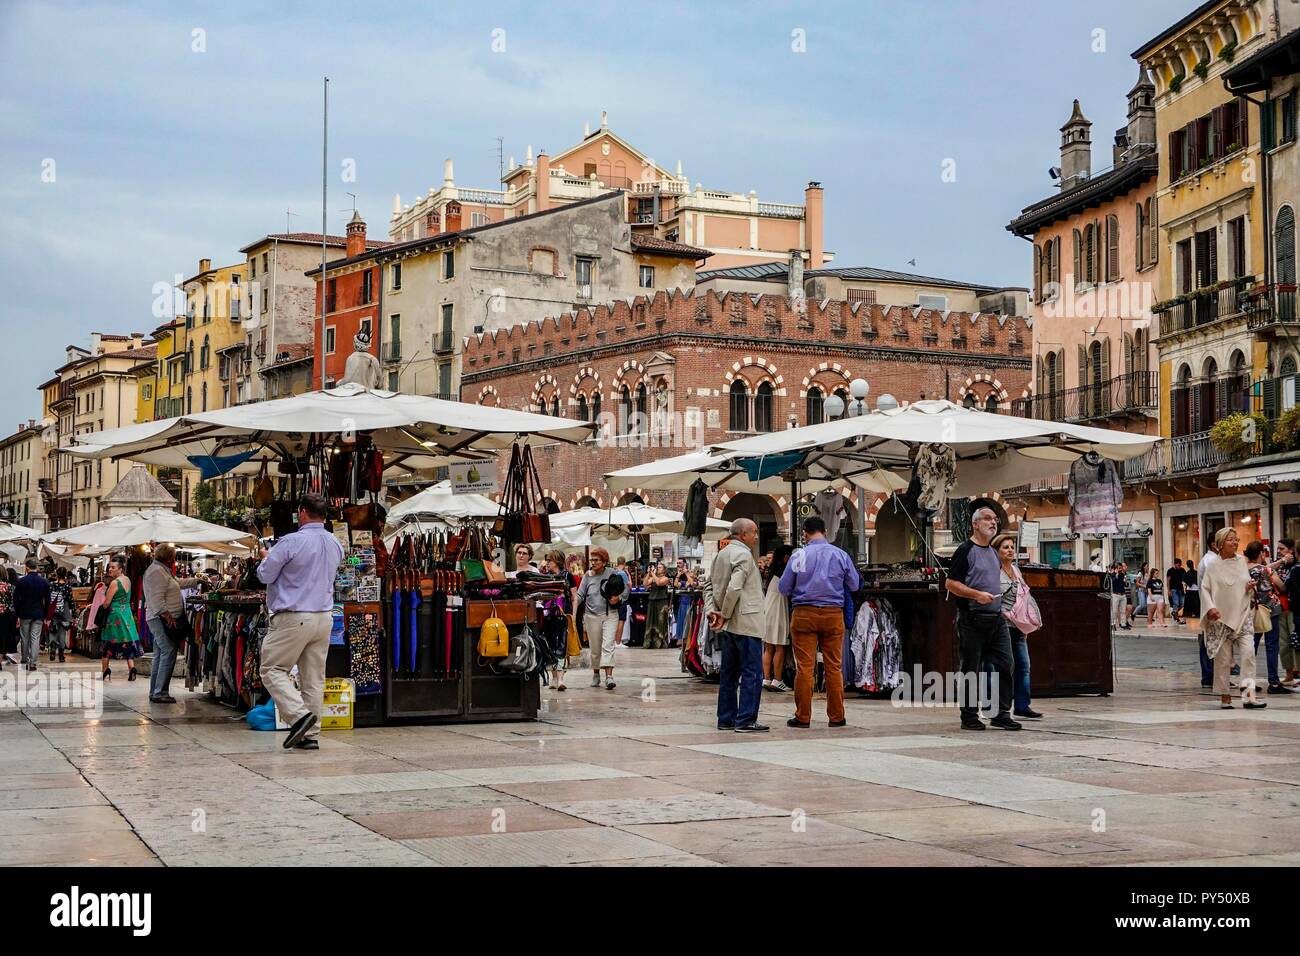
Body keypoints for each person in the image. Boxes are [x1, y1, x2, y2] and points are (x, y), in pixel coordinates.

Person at [256, 493, 345, 750]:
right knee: (314, 678)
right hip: (324, 616)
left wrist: (265, 557)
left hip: (294, 616)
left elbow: (265, 575)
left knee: (272, 669)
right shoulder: (335, 543)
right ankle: (311, 735)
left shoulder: (291, 541)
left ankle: (299, 716)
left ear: (302, 513)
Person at [780, 515, 860, 729]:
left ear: (805, 532)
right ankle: (836, 716)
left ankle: (803, 716)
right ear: (824, 531)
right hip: (833, 614)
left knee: (805, 667)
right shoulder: (840, 555)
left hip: (804, 614)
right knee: (834, 667)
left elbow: (784, 588)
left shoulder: (799, 555)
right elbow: (854, 585)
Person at [944, 507, 1019, 731]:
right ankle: (969, 716)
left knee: (1006, 664)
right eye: (987, 519)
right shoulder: (965, 551)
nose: (993, 522)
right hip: (972, 618)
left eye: (995, 519)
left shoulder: (993, 553)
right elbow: (950, 584)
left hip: (996, 619)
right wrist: (977, 595)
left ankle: (1001, 713)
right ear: (975, 524)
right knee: (971, 669)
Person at [705, 518, 769, 733]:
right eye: (754, 532)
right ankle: (746, 719)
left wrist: (711, 610)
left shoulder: (720, 555)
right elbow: (734, 588)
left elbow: (708, 585)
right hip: (746, 622)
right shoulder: (743, 555)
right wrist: (723, 614)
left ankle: (726, 718)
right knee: (752, 672)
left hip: (728, 625)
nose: (756, 536)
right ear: (742, 534)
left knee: (729, 673)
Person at [1202, 528, 1266, 710]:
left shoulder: (1241, 562)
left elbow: (1242, 583)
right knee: (1223, 660)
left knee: (1249, 655)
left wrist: (1249, 586)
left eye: (1236, 540)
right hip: (1221, 618)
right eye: (1231, 540)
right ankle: (1225, 695)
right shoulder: (1212, 565)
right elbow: (1205, 589)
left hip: (1242, 615)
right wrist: (1210, 608)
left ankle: (1249, 696)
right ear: (1220, 543)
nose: (1235, 542)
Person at [142, 543, 201, 704]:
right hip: (159, 618)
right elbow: (156, 598)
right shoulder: (156, 572)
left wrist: (196, 581)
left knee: (161, 654)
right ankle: (160, 692)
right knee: (168, 651)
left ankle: (156, 690)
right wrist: (167, 615)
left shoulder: (162, 570)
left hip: (159, 617)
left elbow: (176, 583)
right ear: (169, 558)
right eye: (174, 557)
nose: (175, 560)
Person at [991, 532, 1041, 720]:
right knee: (1001, 667)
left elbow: (1023, 596)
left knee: (1024, 665)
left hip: (1018, 625)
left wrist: (1027, 623)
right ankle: (996, 707)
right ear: (996, 550)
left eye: (1012, 547)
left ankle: (1022, 705)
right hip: (1000, 624)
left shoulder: (1016, 571)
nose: (1010, 550)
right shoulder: (994, 571)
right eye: (1005, 547)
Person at [1245, 540, 1292, 696]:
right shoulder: (1266, 570)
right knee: (1272, 646)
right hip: (1270, 611)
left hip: (1252, 611)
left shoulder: (1244, 569)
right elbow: (1282, 586)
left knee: (1251, 647)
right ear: (1261, 554)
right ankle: (1273, 682)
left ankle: (1248, 681)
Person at [574, 547, 623, 690]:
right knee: (595, 648)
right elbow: (580, 595)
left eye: (596, 560)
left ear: (604, 561)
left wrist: (617, 598)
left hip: (610, 615)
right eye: (592, 560)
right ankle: (596, 674)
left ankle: (609, 676)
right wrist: (573, 602)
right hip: (591, 615)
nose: (593, 563)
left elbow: (625, 590)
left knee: (608, 645)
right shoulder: (587, 576)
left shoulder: (612, 573)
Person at [99, 555, 143, 681]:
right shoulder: (127, 580)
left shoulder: (114, 583)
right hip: (127, 614)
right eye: (109, 567)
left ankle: (105, 669)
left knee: (107, 642)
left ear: (120, 569)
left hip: (115, 615)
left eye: (113, 568)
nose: (110, 570)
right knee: (127, 640)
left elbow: (107, 603)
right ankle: (131, 668)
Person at [541, 549, 577, 691]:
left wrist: (573, 615)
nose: (547, 563)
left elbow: (574, 597)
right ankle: (553, 677)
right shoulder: (545, 576)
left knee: (562, 645)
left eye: (550, 560)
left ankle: (560, 677)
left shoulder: (568, 575)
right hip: (548, 613)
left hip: (563, 613)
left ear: (557, 561)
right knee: (549, 644)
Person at [762, 544, 793, 692]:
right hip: (779, 610)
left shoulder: (772, 571)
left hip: (768, 609)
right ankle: (778, 679)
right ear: (786, 557)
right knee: (780, 647)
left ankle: (767, 678)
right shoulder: (785, 572)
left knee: (768, 648)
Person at [14, 559, 49, 672]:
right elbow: (47, 600)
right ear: (36, 568)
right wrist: (46, 615)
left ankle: (24, 659)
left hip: (24, 613)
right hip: (39, 614)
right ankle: (33, 662)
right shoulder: (44, 582)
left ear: (27, 568)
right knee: (35, 638)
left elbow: (16, 599)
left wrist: (18, 613)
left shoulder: (21, 582)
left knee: (25, 637)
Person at [46, 568, 74, 663]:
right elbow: (71, 600)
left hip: (53, 610)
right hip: (64, 610)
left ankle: (53, 645)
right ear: (65, 574)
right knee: (62, 632)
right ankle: (61, 655)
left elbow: (48, 599)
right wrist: (73, 612)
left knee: (52, 630)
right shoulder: (67, 586)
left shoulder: (51, 585)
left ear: (57, 574)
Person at [643, 562, 671, 649]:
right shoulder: (653, 577)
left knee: (661, 622)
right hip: (652, 601)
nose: (658, 569)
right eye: (657, 567)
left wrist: (653, 574)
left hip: (661, 602)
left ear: (664, 569)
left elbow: (659, 583)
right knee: (651, 621)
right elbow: (645, 584)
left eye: (660, 567)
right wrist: (648, 574)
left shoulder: (666, 578)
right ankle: (649, 642)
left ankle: (660, 643)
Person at [1109, 563, 1130, 631]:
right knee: (1114, 611)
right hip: (1115, 594)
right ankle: (1113, 624)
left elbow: (1125, 585)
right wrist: (1116, 576)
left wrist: (1126, 582)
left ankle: (1123, 624)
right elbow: (1112, 583)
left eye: (1121, 568)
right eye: (1118, 568)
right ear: (1115, 569)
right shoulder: (1112, 575)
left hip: (1123, 594)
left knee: (1123, 611)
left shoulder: (1122, 575)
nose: (1120, 569)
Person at [1127, 562, 1149, 627]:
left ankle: (1149, 617)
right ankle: (1133, 614)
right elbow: (1137, 583)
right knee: (1142, 604)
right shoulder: (1140, 573)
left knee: (1148, 604)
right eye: (1147, 566)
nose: (1148, 567)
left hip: (1147, 591)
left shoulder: (1148, 574)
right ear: (1144, 566)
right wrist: (1144, 586)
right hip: (1141, 591)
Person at [1167, 558, 1186, 624]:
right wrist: (1169, 590)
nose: (1179, 566)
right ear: (1175, 564)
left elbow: (1185, 579)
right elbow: (1168, 580)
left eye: (1180, 565)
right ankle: (1176, 616)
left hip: (1181, 589)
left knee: (1183, 603)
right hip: (1173, 589)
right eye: (1178, 565)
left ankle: (1174, 612)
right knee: (1176, 603)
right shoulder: (1170, 571)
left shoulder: (1182, 570)